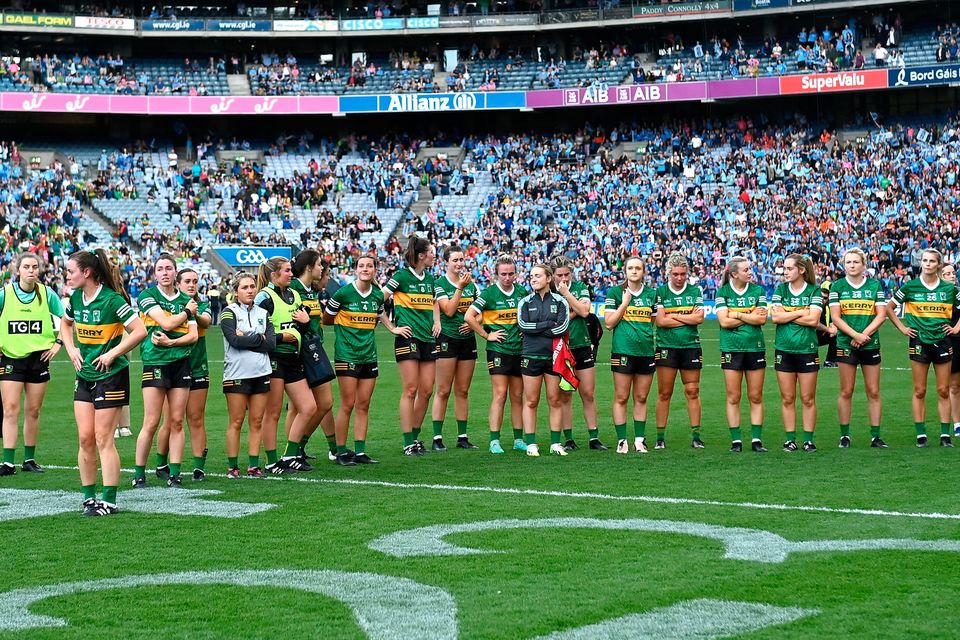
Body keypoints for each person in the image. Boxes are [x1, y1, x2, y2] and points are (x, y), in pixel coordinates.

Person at [61, 249, 146, 515]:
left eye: (70, 271)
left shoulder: (112, 300)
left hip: (111, 377)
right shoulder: (75, 298)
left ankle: (109, 500)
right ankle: (89, 498)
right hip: (85, 376)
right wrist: (71, 348)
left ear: (86, 272)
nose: (67, 275)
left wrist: (113, 353)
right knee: (85, 438)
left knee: (103, 438)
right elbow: (65, 325)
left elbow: (140, 330)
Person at [325, 255, 405, 465]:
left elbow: (380, 314)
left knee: (363, 405)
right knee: (347, 404)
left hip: (369, 355)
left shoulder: (378, 295)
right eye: (361, 265)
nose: (365, 269)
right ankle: (341, 452)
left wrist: (392, 328)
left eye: (369, 266)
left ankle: (359, 451)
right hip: (346, 355)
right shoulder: (343, 293)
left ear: (375, 270)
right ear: (355, 269)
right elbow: (326, 318)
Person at [132, 254, 198, 488]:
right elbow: (167, 324)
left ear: (175, 272)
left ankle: (175, 473)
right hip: (156, 362)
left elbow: (194, 336)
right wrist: (187, 313)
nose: (165, 272)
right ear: (155, 273)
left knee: (177, 421)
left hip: (181, 363)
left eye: (169, 268)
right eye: (160, 269)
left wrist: (171, 343)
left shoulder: (185, 299)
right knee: (151, 421)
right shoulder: (147, 296)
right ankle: (139, 473)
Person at [888, 249, 960, 448]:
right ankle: (921, 434)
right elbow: (889, 307)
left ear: (938, 265)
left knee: (943, 390)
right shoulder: (910, 286)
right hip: (919, 341)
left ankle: (945, 435)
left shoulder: (949, 289)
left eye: (931, 261)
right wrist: (902, 327)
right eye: (925, 260)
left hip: (943, 342)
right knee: (919, 390)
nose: (927, 264)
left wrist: (955, 328)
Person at [0, 252, 64, 475]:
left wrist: (59, 343)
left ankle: (29, 459)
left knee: (33, 410)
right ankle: (7, 462)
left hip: (39, 358)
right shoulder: (5, 294)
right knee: (10, 409)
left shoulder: (47, 294)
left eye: (35, 267)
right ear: (17, 270)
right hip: (11, 357)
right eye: (26, 266)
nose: (31, 271)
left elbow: (69, 318)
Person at [255, 257, 317, 473]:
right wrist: (283, 337)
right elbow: (255, 331)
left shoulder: (295, 295)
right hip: (273, 359)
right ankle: (272, 461)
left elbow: (303, 327)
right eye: (287, 271)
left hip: (294, 358)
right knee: (272, 413)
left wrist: (305, 324)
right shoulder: (264, 297)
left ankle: (290, 455)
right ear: (274, 275)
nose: (292, 274)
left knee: (309, 407)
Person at [382, 235, 440, 455]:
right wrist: (392, 327)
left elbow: (435, 302)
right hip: (408, 338)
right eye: (432, 252)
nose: (434, 256)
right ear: (422, 255)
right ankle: (408, 441)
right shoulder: (401, 277)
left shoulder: (430, 279)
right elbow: (380, 298)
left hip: (428, 339)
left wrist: (437, 321)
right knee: (411, 389)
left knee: (426, 390)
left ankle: (415, 438)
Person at [465, 255, 528, 454]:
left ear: (516, 273)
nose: (507, 278)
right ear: (496, 274)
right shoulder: (489, 293)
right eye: (503, 274)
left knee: (518, 396)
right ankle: (494, 440)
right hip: (498, 351)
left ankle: (519, 439)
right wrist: (486, 334)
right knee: (500, 394)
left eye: (511, 274)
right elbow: (469, 316)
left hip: (520, 350)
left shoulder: (522, 292)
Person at [829, 248, 888, 448]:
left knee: (873, 391)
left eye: (855, 262)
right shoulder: (837, 286)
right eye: (848, 262)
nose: (852, 265)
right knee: (846, 391)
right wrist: (855, 335)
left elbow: (881, 315)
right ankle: (844, 435)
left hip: (870, 344)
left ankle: (875, 436)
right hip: (846, 344)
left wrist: (864, 336)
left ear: (864, 265)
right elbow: (835, 317)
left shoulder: (874, 285)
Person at [220, 272, 275, 478]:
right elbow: (233, 340)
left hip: (261, 372)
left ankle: (253, 466)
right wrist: (258, 338)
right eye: (244, 287)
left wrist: (249, 337)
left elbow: (271, 343)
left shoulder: (263, 313)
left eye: (252, 286)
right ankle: (232, 467)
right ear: (236, 291)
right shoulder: (228, 312)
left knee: (257, 421)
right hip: (236, 373)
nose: (250, 290)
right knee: (236, 421)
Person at [552, 255, 606, 451]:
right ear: (553, 275)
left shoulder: (580, 287)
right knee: (565, 394)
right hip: (561, 348)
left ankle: (593, 437)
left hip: (582, 345)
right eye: (560, 275)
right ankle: (569, 439)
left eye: (567, 274)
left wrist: (566, 293)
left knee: (588, 393)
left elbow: (584, 311)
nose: (564, 278)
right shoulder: (547, 290)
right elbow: (554, 320)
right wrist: (571, 312)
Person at [287, 250, 338, 463]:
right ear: (309, 267)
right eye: (319, 265)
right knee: (297, 407)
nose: (322, 269)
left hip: (315, 350)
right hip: (299, 354)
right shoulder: (293, 289)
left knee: (325, 403)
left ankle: (299, 445)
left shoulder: (312, 291)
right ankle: (290, 453)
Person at [715, 256, 769, 453]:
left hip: (755, 348)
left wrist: (735, 314)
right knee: (733, 396)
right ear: (734, 273)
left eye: (750, 269)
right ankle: (736, 441)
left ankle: (756, 440)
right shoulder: (723, 292)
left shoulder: (758, 290)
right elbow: (724, 322)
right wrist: (749, 316)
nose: (750, 272)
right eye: (746, 270)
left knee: (755, 396)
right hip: (731, 348)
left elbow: (761, 320)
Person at [604, 256, 657, 454]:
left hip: (645, 352)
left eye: (638, 268)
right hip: (622, 351)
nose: (634, 271)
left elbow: (652, 321)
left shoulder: (652, 294)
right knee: (621, 396)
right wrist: (624, 304)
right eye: (630, 268)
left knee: (641, 397)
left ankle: (639, 440)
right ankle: (622, 440)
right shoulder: (616, 293)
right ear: (625, 271)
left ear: (644, 272)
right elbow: (609, 323)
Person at [771, 254, 823, 452]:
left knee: (808, 398)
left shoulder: (814, 291)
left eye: (789, 268)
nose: (785, 272)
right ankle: (790, 439)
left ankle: (808, 439)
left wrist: (788, 314)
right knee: (787, 398)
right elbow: (775, 317)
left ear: (801, 270)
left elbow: (813, 321)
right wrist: (802, 311)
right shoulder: (780, 289)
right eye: (784, 268)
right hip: (784, 349)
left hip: (807, 350)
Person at [517, 263, 570, 457]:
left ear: (548, 279)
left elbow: (562, 328)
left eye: (538, 276)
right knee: (531, 401)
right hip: (530, 355)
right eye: (531, 276)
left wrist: (538, 328)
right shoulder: (525, 302)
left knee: (554, 400)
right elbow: (523, 326)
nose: (533, 279)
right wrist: (548, 324)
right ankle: (531, 444)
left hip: (553, 356)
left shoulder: (561, 301)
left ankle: (555, 443)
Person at [653, 253, 705, 449]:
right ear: (669, 274)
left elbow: (698, 319)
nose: (679, 278)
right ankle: (660, 437)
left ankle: (696, 436)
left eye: (683, 273)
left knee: (692, 391)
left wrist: (673, 314)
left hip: (691, 346)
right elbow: (660, 322)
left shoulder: (695, 291)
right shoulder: (661, 292)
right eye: (675, 274)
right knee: (664, 393)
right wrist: (685, 315)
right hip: (667, 347)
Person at [431, 245, 479, 451]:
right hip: (447, 339)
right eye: (455, 261)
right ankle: (437, 438)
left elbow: (483, 311)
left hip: (467, 340)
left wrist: (472, 322)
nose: (459, 264)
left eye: (461, 260)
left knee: (463, 390)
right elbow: (449, 311)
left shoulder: (472, 285)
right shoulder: (440, 284)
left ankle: (462, 437)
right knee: (443, 390)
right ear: (446, 262)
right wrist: (459, 287)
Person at [179, 268, 211, 478]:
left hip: (198, 366)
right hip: (174, 367)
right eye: (187, 281)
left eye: (195, 281)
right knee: (172, 419)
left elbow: (206, 321)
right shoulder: (171, 304)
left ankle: (199, 466)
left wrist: (193, 311)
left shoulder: (203, 304)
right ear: (178, 283)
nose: (191, 285)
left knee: (196, 418)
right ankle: (164, 463)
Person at [943, 263, 960, 437]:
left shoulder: (958, 293)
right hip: (951, 343)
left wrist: (956, 328)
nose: (951, 276)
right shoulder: (938, 295)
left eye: (953, 273)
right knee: (954, 386)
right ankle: (957, 424)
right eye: (947, 273)